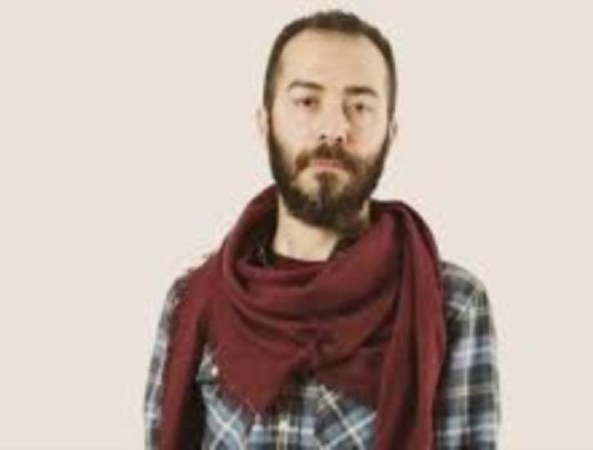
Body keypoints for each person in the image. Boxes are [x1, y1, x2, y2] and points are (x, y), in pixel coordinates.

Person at [144, 9, 500, 450]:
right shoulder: (193, 301)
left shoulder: (450, 304)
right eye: (307, 101)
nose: (333, 129)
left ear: (390, 134)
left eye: (360, 106)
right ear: (265, 123)